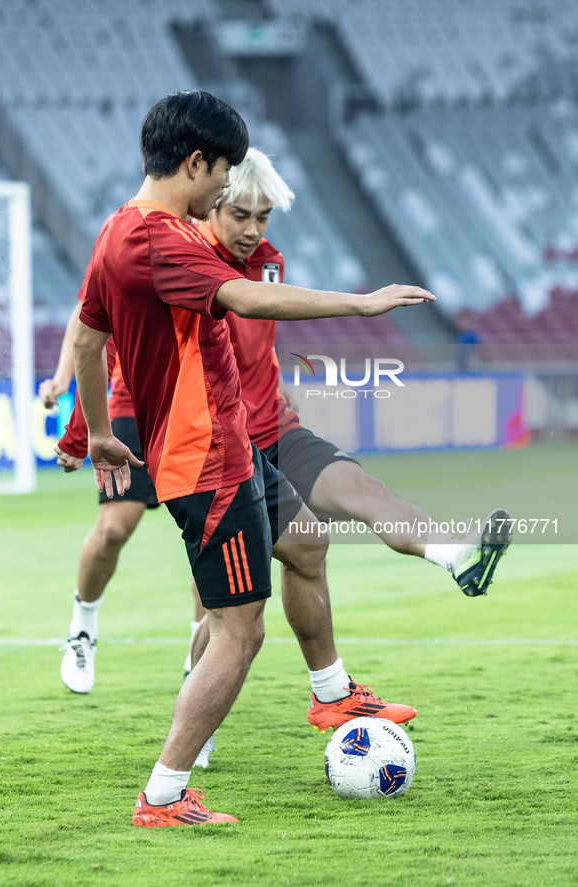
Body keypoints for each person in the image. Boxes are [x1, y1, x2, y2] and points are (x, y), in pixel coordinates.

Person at [71, 89, 436, 827]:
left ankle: (331, 690)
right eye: (223, 172)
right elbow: (246, 299)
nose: (225, 189)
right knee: (239, 630)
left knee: (303, 540)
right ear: (195, 160)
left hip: (220, 451)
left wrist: (100, 432)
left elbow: (84, 338)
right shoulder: (161, 240)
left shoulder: (118, 229)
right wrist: (361, 305)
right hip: (207, 463)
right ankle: (164, 794)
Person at [186, 149, 512, 738]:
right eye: (240, 214)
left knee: (358, 494)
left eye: (263, 216)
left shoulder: (269, 262)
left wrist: (280, 389)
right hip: (219, 447)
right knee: (235, 609)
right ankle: (201, 717)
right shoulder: (187, 265)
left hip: (275, 429)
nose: (253, 229)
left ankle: (457, 556)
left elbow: (255, 345)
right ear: (213, 203)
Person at [39, 280, 205, 695]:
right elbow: (89, 320)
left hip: (198, 409)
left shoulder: (215, 246)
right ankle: (82, 629)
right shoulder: (127, 234)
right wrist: (67, 389)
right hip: (131, 405)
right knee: (113, 530)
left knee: (210, 539)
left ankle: (200, 664)